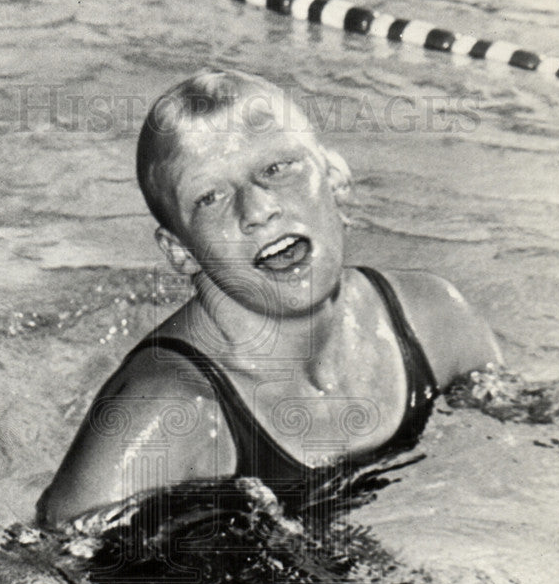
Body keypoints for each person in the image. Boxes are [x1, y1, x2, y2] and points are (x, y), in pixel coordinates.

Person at [37, 69, 500, 527]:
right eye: (210, 197)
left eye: (277, 170)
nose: (257, 209)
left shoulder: (433, 320)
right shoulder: (168, 410)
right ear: (181, 251)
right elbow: (37, 571)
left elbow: (526, 427)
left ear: (335, 178)